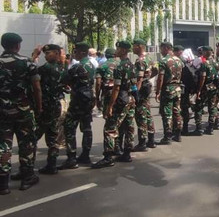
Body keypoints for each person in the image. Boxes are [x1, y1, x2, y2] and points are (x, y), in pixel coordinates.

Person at [0, 33, 42, 194]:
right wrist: (38, 108)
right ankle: (27, 177)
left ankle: (3, 183)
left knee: (4, 146)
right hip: (24, 110)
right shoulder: (27, 63)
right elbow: (37, 88)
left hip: (2, 111)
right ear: (18, 46)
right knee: (27, 144)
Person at [92, 41, 135, 169]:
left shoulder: (120, 67)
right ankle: (127, 153)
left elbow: (116, 88)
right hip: (130, 98)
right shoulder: (131, 65)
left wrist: (110, 106)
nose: (116, 50)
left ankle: (108, 157)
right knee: (128, 126)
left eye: (118, 48)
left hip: (120, 99)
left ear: (123, 50)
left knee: (110, 127)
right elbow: (134, 83)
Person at [59, 42, 95, 170]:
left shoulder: (77, 67)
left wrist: (65, 63)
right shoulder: (92, 65)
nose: (74, 54)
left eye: (76, 52)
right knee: (86, 127)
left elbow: (63, 79)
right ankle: (86, 155)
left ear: (82, 52)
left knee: (69, 126)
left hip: (78, 100)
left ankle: (71, 157)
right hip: (89, 99)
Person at [34, 44, 65, 175]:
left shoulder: (44, 69)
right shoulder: (63, 69)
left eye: (49, 53)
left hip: (44, 107)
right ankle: (51, 165)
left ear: (57, 53)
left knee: (32, 136)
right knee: (53, 137)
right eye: (45, 53)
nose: (46, 56)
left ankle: (27, 166)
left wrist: (33, 57)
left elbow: (27, 72)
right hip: (55, 106)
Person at [155, 42, 184, 144]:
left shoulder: (164, 61)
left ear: (166, 48)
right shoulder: (178, 60)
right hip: (177, 88)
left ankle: (167, 136)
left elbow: (160, 78)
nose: (160, 51)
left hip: (168, 89)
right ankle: (178, 134)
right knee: (177, 112)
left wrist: (157, 91)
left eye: (161, 49)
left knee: (167, 113)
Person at [132, 39, 157, 150]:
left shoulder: (140, 60)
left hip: (141, 88)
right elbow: (156, 70)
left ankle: (142, 142)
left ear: (140, 46)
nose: (133, 48)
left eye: (134, 46)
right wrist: (149, 78)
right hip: (147, 86)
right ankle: (151, 140)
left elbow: (139, 78)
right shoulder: (150, 57)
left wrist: (136, 92)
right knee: (147, 113)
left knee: (141, 115)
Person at [195, 46, 219, 135]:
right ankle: (211, 127)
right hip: (214, 87)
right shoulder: (215, 63)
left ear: (205, 52)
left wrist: (199, 90)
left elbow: (203, 78)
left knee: (199, 107)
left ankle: (199, 128)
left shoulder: (204, 64)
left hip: (206, 87)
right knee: (212, 107)